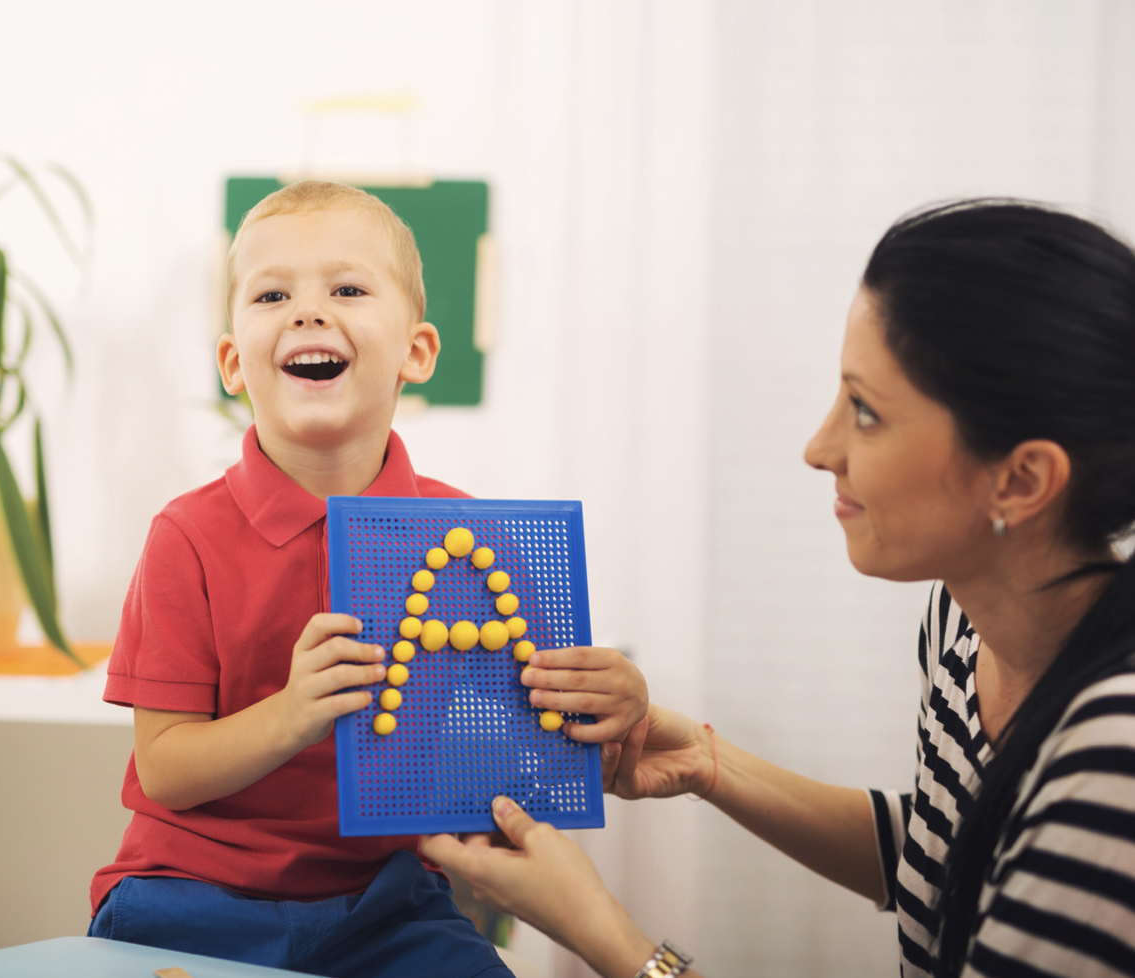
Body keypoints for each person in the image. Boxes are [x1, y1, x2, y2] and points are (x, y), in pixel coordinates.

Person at [424, 199, 1135, 978]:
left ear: (1022, 480)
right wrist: (708, 762)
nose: (818, 447)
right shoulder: (962, 625)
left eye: (865, 411)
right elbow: (945, 852)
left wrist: (602, 933)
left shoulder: (1113, 766)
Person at [87, 180, 649, 978]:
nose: (308, 313)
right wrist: (290, 716)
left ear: (416, 353)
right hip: (188, 896)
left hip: (386, 907)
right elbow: (166, 769)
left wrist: (609, 708)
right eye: (273, 294)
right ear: (233, 363)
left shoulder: (469, 540)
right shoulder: (186, 536)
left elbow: (538, 743)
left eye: (347, 289)